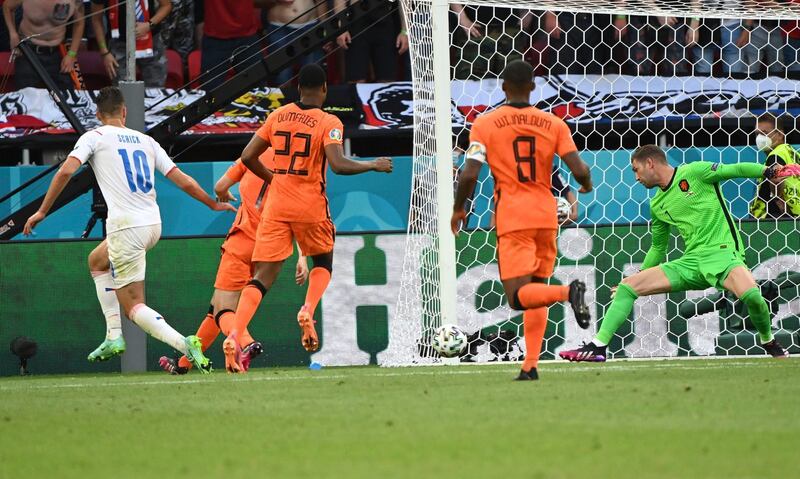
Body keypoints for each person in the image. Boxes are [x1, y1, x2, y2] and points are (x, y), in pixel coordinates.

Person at [23, 86, 236, 373]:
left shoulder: (94, 137)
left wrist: (42, 211)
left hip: (126, 227)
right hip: (152, 224)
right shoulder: (146, 141)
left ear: (98, 114)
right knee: (97, 261)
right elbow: (183, 180)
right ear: (125, 112)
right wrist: (212, 204)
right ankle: (113, 336)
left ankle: (185, 344)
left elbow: (64, 171)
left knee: (134, 307)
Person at [217, 63, 393, 373]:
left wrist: (273, 179)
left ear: (298, 89)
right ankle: (308, 309)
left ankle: (234, 335)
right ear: (324, 89)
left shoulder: (277, 116)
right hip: (310, 205)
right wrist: (372, 165)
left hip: (276, 208)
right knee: (322, 262)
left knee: (261, 278)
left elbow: (247, 157)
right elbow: (338, 164)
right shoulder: (329, 121)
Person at [559, 144, 791, 362]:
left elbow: (736, 169)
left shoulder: (695, 172)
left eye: (636, 170)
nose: (636, 178)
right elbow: (658, 247)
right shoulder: (657, 204)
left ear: (650, 163)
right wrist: (638, 274)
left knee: (752, 298)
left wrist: (768, 171)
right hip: (691, 263)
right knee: (628, 287)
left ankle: (767, 340)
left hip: (723, 255)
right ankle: (597, 347)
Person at [451, 60, 593, 381]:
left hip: (513, 217)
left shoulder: (485, 124)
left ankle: (568, 292)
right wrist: (584, 185)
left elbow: (470, 172)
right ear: (532, 86)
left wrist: (460, 208)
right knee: (535, 290)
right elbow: (579, 169)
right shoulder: (553, 123)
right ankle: (530, 365)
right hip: (546, 216)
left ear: (503, 87)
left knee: (518, 297)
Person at [159, 151, 310, 375]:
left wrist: (225, 194)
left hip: (242, 243)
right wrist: (303, 257)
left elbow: (220, 186)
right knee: (215, 310)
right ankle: (184, 364)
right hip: (271, 249)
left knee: (223, 309)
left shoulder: (254, 154)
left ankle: (247, 342)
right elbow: (300, 215)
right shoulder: (298, 167)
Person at [3, 0, 85, 90]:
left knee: (65, 96)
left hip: (57, 52)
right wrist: (13, 33)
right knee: (26, 96)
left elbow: (79, 23)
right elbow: (7, 6)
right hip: (28, 51)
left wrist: (72, 54)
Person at [90, 0, 172, 87]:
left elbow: (166, 6)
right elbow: (96, 20)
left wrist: (149, 25)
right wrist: (105, 52)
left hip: (151, 42)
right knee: (123, 91)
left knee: (155, 88)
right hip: (119, 44)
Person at [334, 0, 407, 82]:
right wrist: (342, 28)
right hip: (357, 23)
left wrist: (405, 31)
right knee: (356, 80)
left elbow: (405, 2)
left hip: (385, 20)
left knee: (387, 80)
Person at [263, 0, 324, 86]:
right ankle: (283, 98)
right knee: (281, 76)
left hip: (310, 26)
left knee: (312, 73)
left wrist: (324, 26)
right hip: (279, 27)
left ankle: (310, 98)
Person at [750, 113, 800, 219]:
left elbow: (776, 180)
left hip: (772, 217)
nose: (759, 138)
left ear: (780, 134)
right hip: (794, 213)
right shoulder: (791, 152)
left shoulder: (775, 155)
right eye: (757, 134)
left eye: (765, 133)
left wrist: (778, 200)